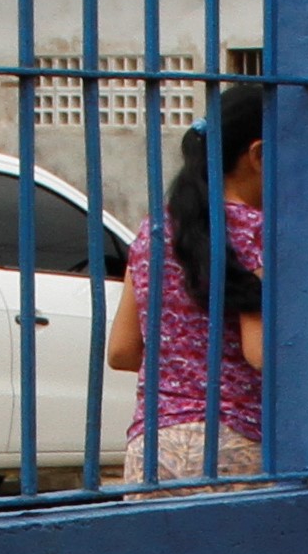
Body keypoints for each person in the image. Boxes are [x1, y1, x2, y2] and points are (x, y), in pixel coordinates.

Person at [106, 83, 264, 484]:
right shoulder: (260, 232)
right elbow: (260, 353)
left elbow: (122, 351)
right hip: (237, 443)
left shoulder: (154, 231)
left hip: (151, 450)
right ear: (258, 155)